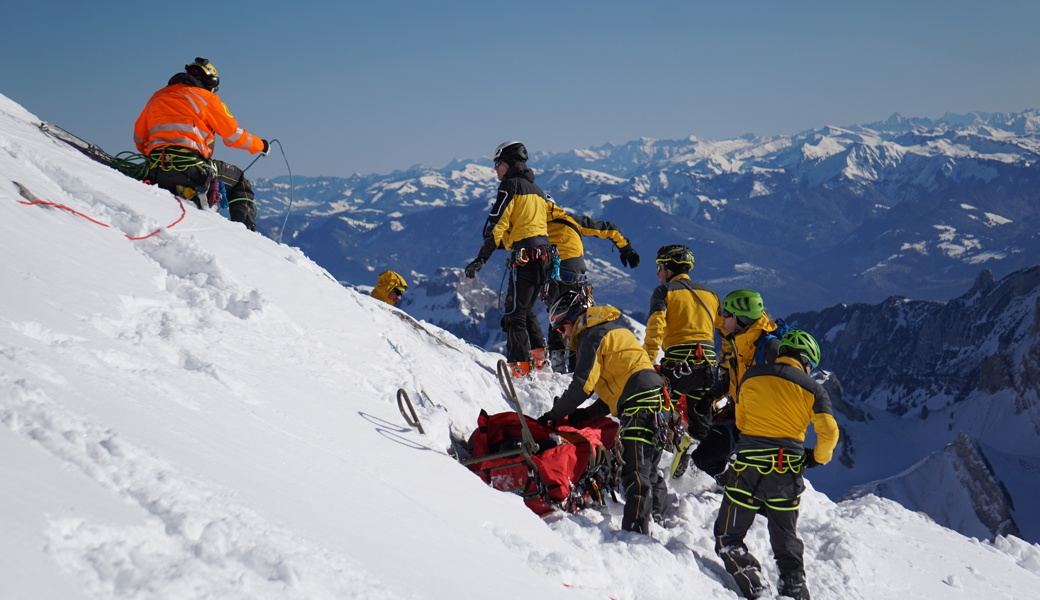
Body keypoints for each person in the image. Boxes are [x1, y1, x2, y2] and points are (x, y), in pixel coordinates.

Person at [713, 329, 839, 600]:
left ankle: (756, 587)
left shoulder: (751, 376)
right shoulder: (814, 389)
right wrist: (816, 458)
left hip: (747, 470)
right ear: (806, 361)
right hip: (787, 476)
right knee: (785, 539)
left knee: (728, 538)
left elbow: (742, 422)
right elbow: (830, 432)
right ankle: (794, 589)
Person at [536, 289, 668, 533]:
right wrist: (587, 415)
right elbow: (617, 389)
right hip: (655, 400)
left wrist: (551, 416)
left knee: (635, 472)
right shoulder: (612, 329)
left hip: (639, 405)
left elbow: (581, 387)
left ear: (572, 319)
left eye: (561, 327)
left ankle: (637, 533)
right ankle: (660, 521)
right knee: (648, 469)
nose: (561, 334)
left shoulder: (591, 335)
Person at [134, 57, 269, 231]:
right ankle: (247, 232)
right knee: (239, 182)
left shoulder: (157, 97)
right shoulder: (206, 98)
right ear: (210, 82)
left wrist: (160, 156)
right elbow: (233, 135)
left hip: (155, 171)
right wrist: (261, 145)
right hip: (191, 169)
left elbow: (139, 138)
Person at [464, 141, 552, 378]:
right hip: (544, 256)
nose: (495, 168)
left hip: (526, 257)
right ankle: (539, 359)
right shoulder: (537, 190)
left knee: (514, 313)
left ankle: (519, 368)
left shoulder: (509, 186)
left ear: (510, 163)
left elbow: (498, 225)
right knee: (525, 309)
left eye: (498, 162)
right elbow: (527, 227)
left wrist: (481, 258)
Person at [684, 289, 779, 482]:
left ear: (741, 318)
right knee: (703, 458)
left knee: (757, 477)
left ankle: (740, 487)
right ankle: (731, 483)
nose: (722, 318)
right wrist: (710, 397)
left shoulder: (770, 348)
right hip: (738, 417)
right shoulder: (740, 341)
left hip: (761, 426)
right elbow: (731, 376)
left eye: (727, 314)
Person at [543, 196, 640, 372]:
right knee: (578, 316)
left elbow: (505, 239)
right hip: (573, 270)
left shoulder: (532, 223)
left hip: (547, 272)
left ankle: (558, 364)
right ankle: (579, 366)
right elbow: (609, 229)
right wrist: (626, 248)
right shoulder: (569, 219)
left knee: (557, 317)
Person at [641, 245, 719, 447]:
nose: (658, 274)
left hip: (678, 365)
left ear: (669, 268)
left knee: (656, 411)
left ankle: (659, 452)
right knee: (701, 424)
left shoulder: (664, 291)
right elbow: (727, 331)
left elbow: (655, 326)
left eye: (660, 268)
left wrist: (646, 360)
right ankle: (699, 457)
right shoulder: (710, 293)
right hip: (708, 368)